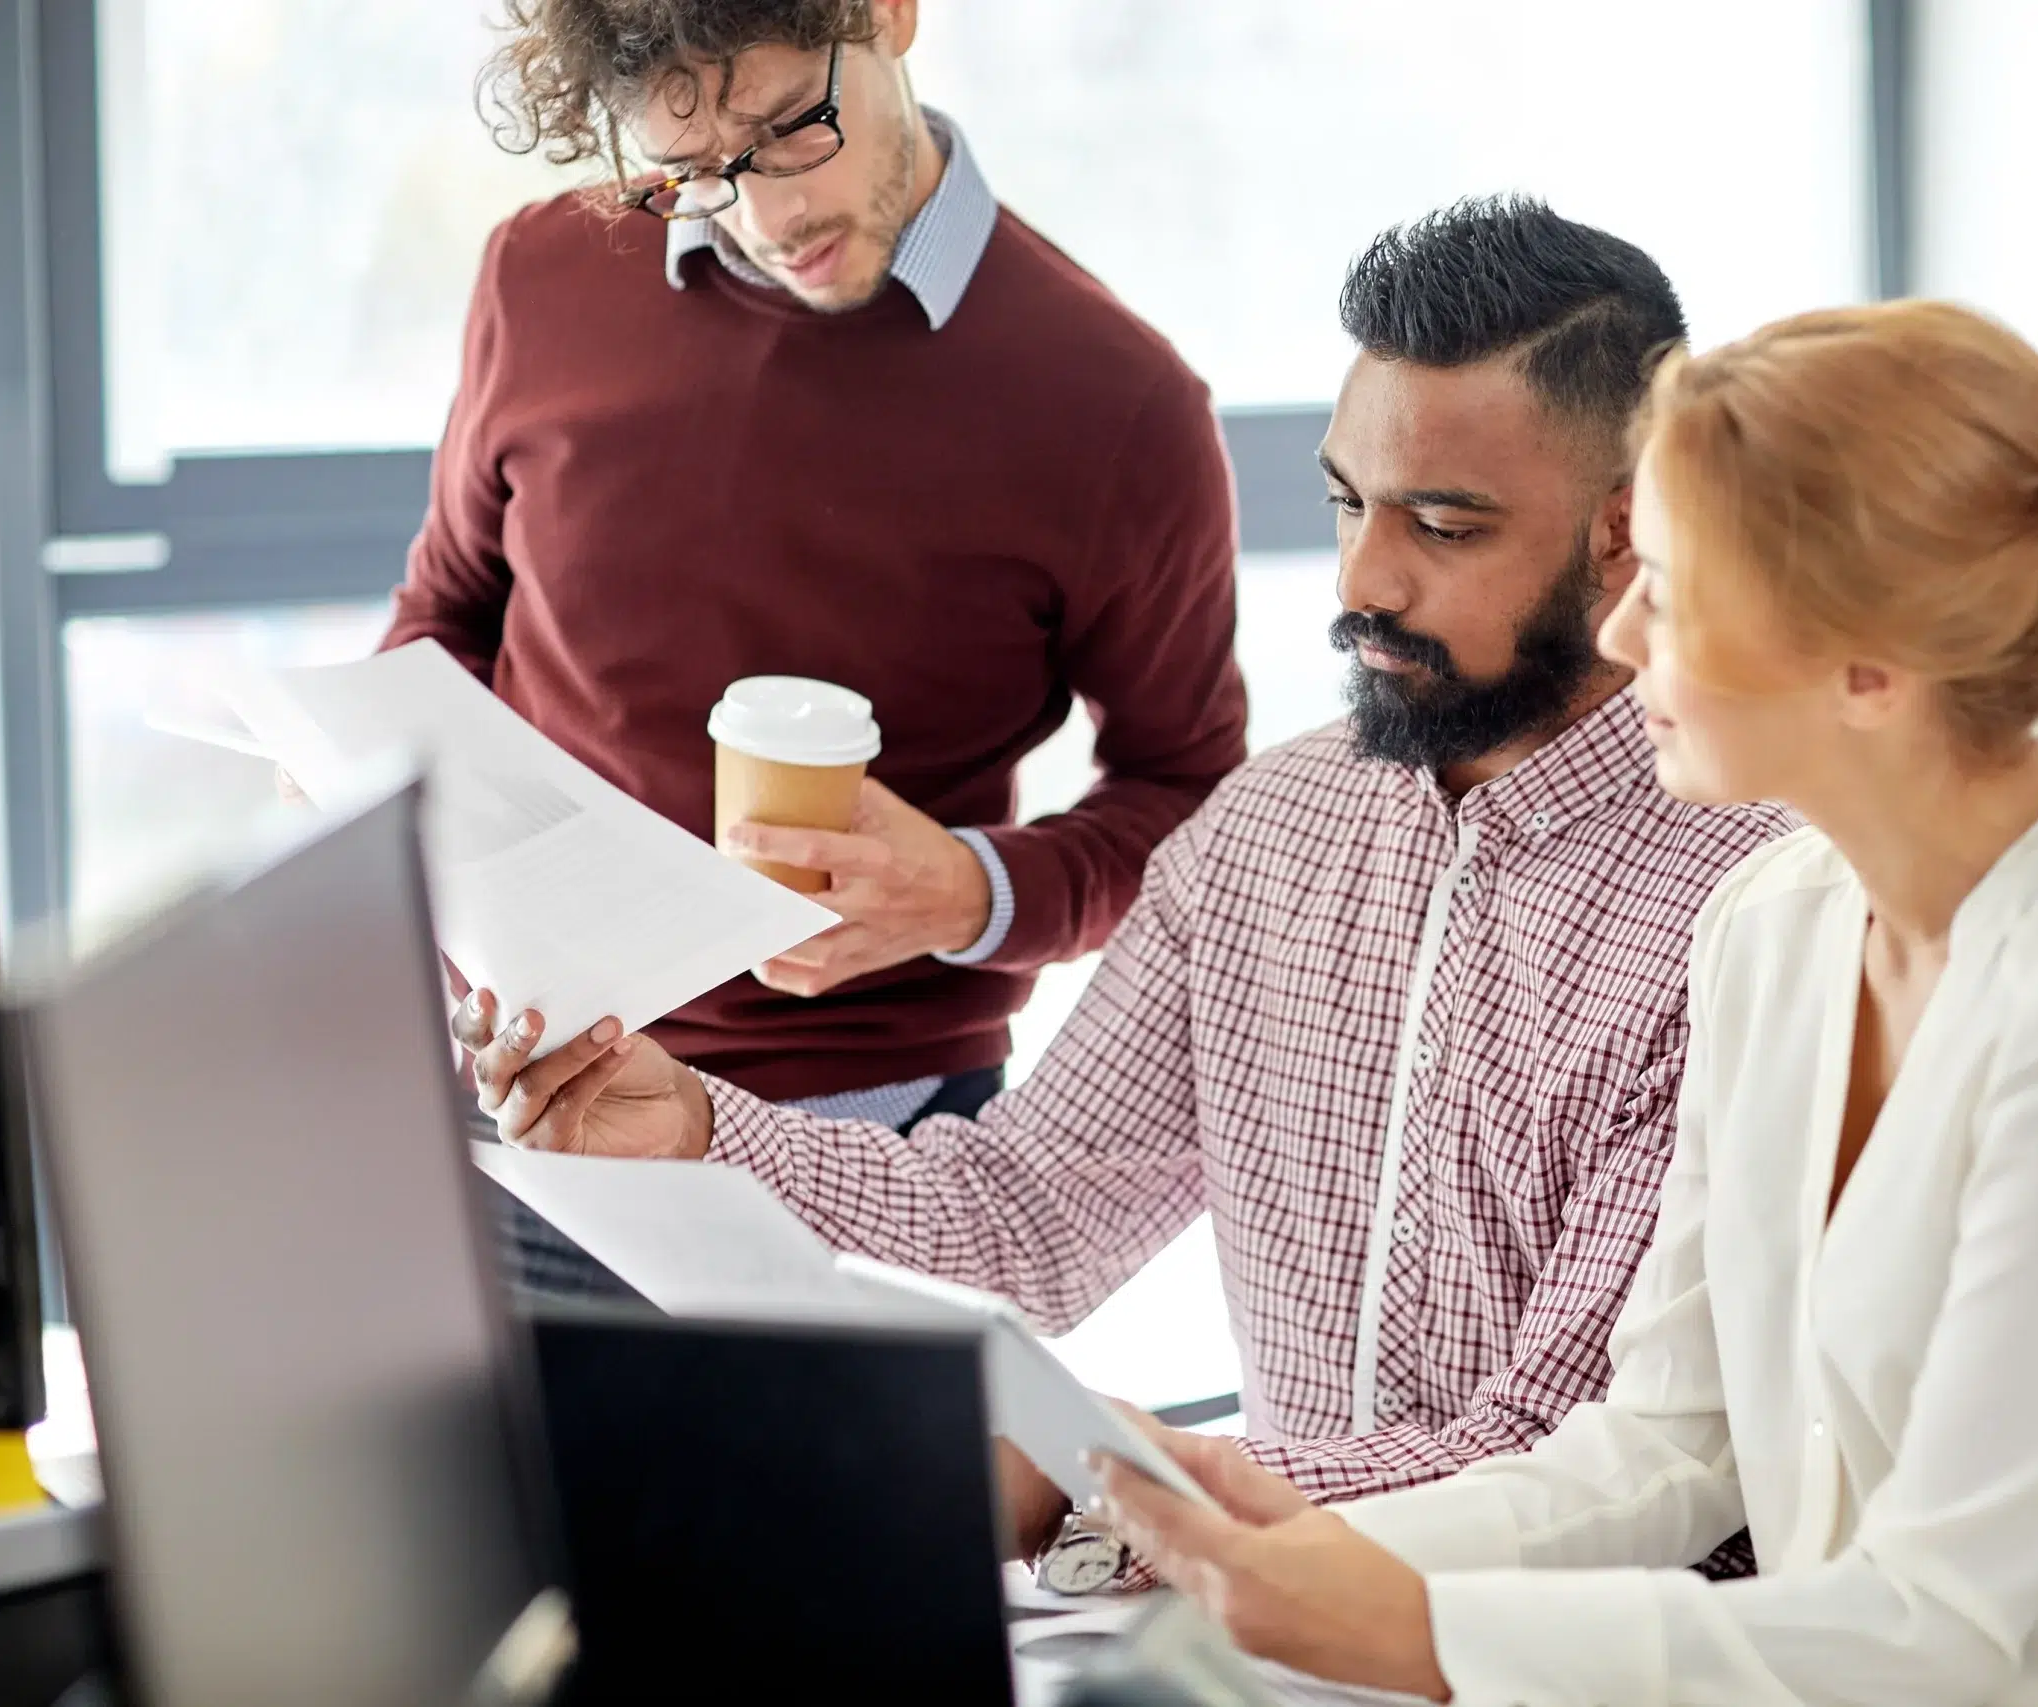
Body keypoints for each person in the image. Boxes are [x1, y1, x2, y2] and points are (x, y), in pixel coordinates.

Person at [1091, 301, 2038, 1706]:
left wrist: (1418, 1633)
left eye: (1668, 591)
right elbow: (1670, 1447)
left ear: (1865, 669)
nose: (1616, 627)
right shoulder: (1773, 924)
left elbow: (1934, 1620)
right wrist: (1272, 1538)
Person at [455, 198, 1791, 1581]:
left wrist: (1093, 1487)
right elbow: (1026, 1206)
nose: (1361, 577)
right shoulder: (1267, 830)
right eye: (1345, 501)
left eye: (1443, 526)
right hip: (1268, 1652)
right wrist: (696, 1132)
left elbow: (1573, 1455)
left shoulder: (1761, 903)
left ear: (1624, 534)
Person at [390, 0, 1247, 1128]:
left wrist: (968, 894)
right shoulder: (541, 272)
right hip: (522, 1097)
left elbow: (1193, 803)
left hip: (872, 1128)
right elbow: (447, 619)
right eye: (693, 171)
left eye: (796, 125)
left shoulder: (1119, 404)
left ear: (888, 16)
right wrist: (364, 765)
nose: (767, 217)